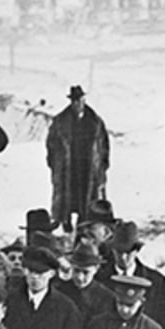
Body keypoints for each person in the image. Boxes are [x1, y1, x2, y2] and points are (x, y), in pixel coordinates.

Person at [46, 86, 109, 232]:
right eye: (74, 101)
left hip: (88, 168)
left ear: (84, 100)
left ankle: (83, 224)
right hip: (67, 168)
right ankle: (65, 222)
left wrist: (102, 167)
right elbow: (51, 144)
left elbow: (104, 147)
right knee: (66, 200)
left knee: (87, 201)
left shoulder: (95, 122)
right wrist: (54, 164)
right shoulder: (60, 121)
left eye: (79, 100)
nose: (77, 104)